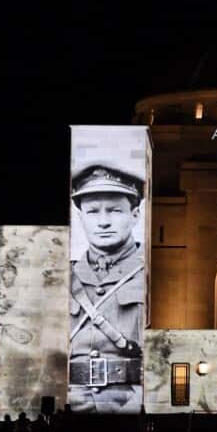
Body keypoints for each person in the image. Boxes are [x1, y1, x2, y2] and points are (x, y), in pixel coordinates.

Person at [68, 163, 146, 413]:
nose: (103, 222)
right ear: (80, 217)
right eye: (92, 212)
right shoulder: (63, 276)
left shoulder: (153, 272)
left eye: (114, 211)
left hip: (129, 403)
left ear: (134, 215)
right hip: (70, 402)